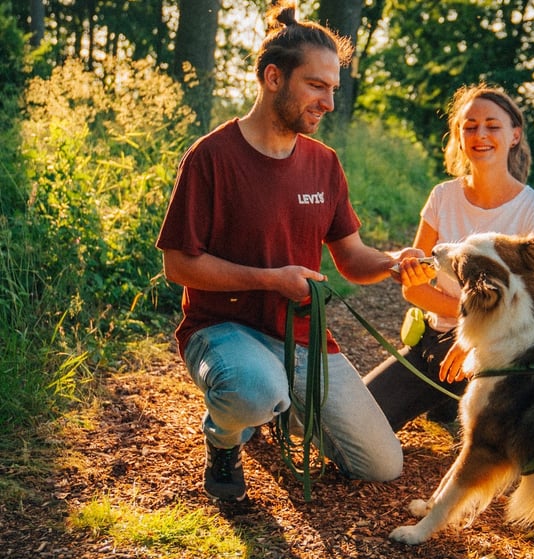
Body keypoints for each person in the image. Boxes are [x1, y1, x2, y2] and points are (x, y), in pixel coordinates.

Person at [156, 1, 423, 503]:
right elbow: (179, 265)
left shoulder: (325, 163)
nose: (328, 102)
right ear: (273, 77)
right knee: (254, 390)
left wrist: (393, 264)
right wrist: (271, 278)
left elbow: (351, 258)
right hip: (221, 330)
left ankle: (268, 404)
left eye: (333, 90)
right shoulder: (211, 156)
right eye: (316, 86)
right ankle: (226, 435)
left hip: (300, 337)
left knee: (382, 465)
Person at [364, 84, 534, 432]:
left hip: (502, 353)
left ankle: (453, 404)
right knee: (354, 422)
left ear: (514, 135)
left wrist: (474, 337)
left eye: (492, 125)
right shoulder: (442, 196)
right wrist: (467, 325)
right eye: (470, 126)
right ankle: (443, 399)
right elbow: (415, 289)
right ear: (459, 135)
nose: (480, 134)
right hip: (437, 343)